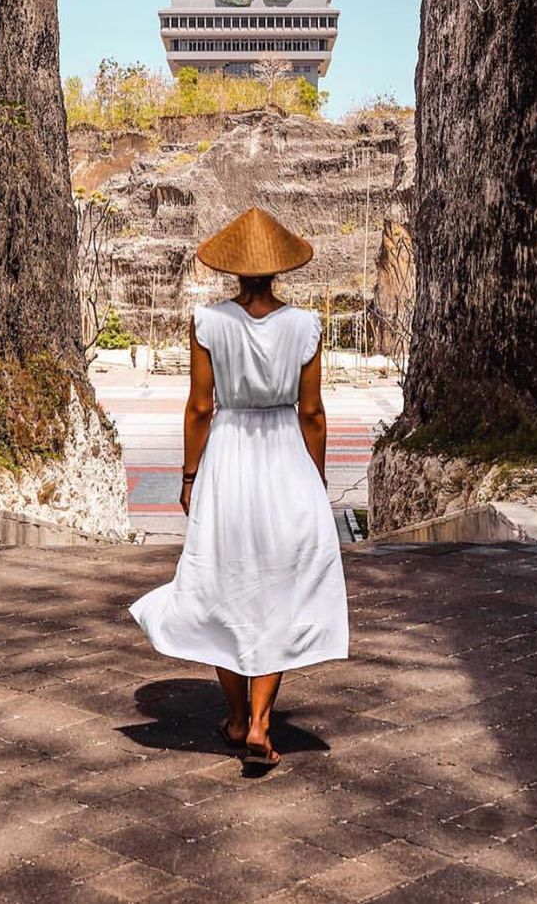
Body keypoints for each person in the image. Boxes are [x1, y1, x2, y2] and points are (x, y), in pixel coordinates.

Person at [129, 206, 348, 771]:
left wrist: (188, 476)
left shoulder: (209, 322)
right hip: (285, 458)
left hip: (228, 456)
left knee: (224, 580)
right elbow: (314, 412)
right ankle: (259, 721)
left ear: (233, 272)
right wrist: (315, 478)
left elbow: (201, 406)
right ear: (279, 271)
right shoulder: (305, 326)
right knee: (280, 585)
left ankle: (232, 716)